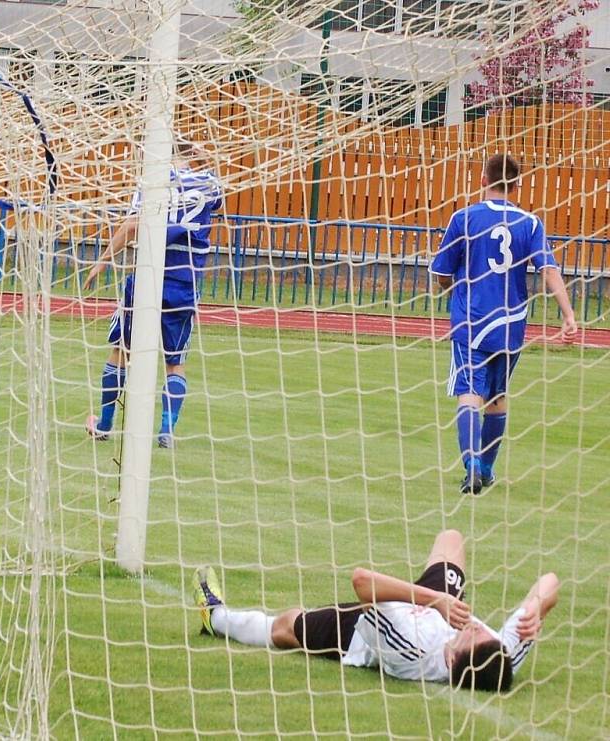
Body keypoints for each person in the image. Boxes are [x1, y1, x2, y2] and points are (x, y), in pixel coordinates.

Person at [193, 529, 559, 692]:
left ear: (450, 659)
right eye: (483, 631)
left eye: (472, 635)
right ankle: (433, 596)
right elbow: (551, 581)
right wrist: (535, 606)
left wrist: (434, 601)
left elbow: (362, 582)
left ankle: (215, 617)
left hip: (366, 632)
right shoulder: (500, 654)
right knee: (451, 539)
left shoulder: (410, 649)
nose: (481, 628)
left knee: (288, 627)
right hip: (435, 607)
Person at [429, 154, 578, 494]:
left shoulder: (463, 218)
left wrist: (453, 291)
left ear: (483, 180)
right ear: (517, 185)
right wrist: (567, 314)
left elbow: (441, 273)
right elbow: (548, 270)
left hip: (471, 320)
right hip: (510, 325)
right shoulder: (530, 224)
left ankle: (472, 468)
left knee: (469, 394)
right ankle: (488, 469)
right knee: (497, 397)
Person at [83, 140, 223, 448]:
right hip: (185, 279)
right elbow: (213, 174)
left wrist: (102, 262)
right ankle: (166, 431)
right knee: (175, 362)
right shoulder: (209, 183)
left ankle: (105, 424)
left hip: (147, 274)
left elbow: (132, 225)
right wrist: (202, 155)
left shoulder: (152, 183)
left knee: (122, 351)